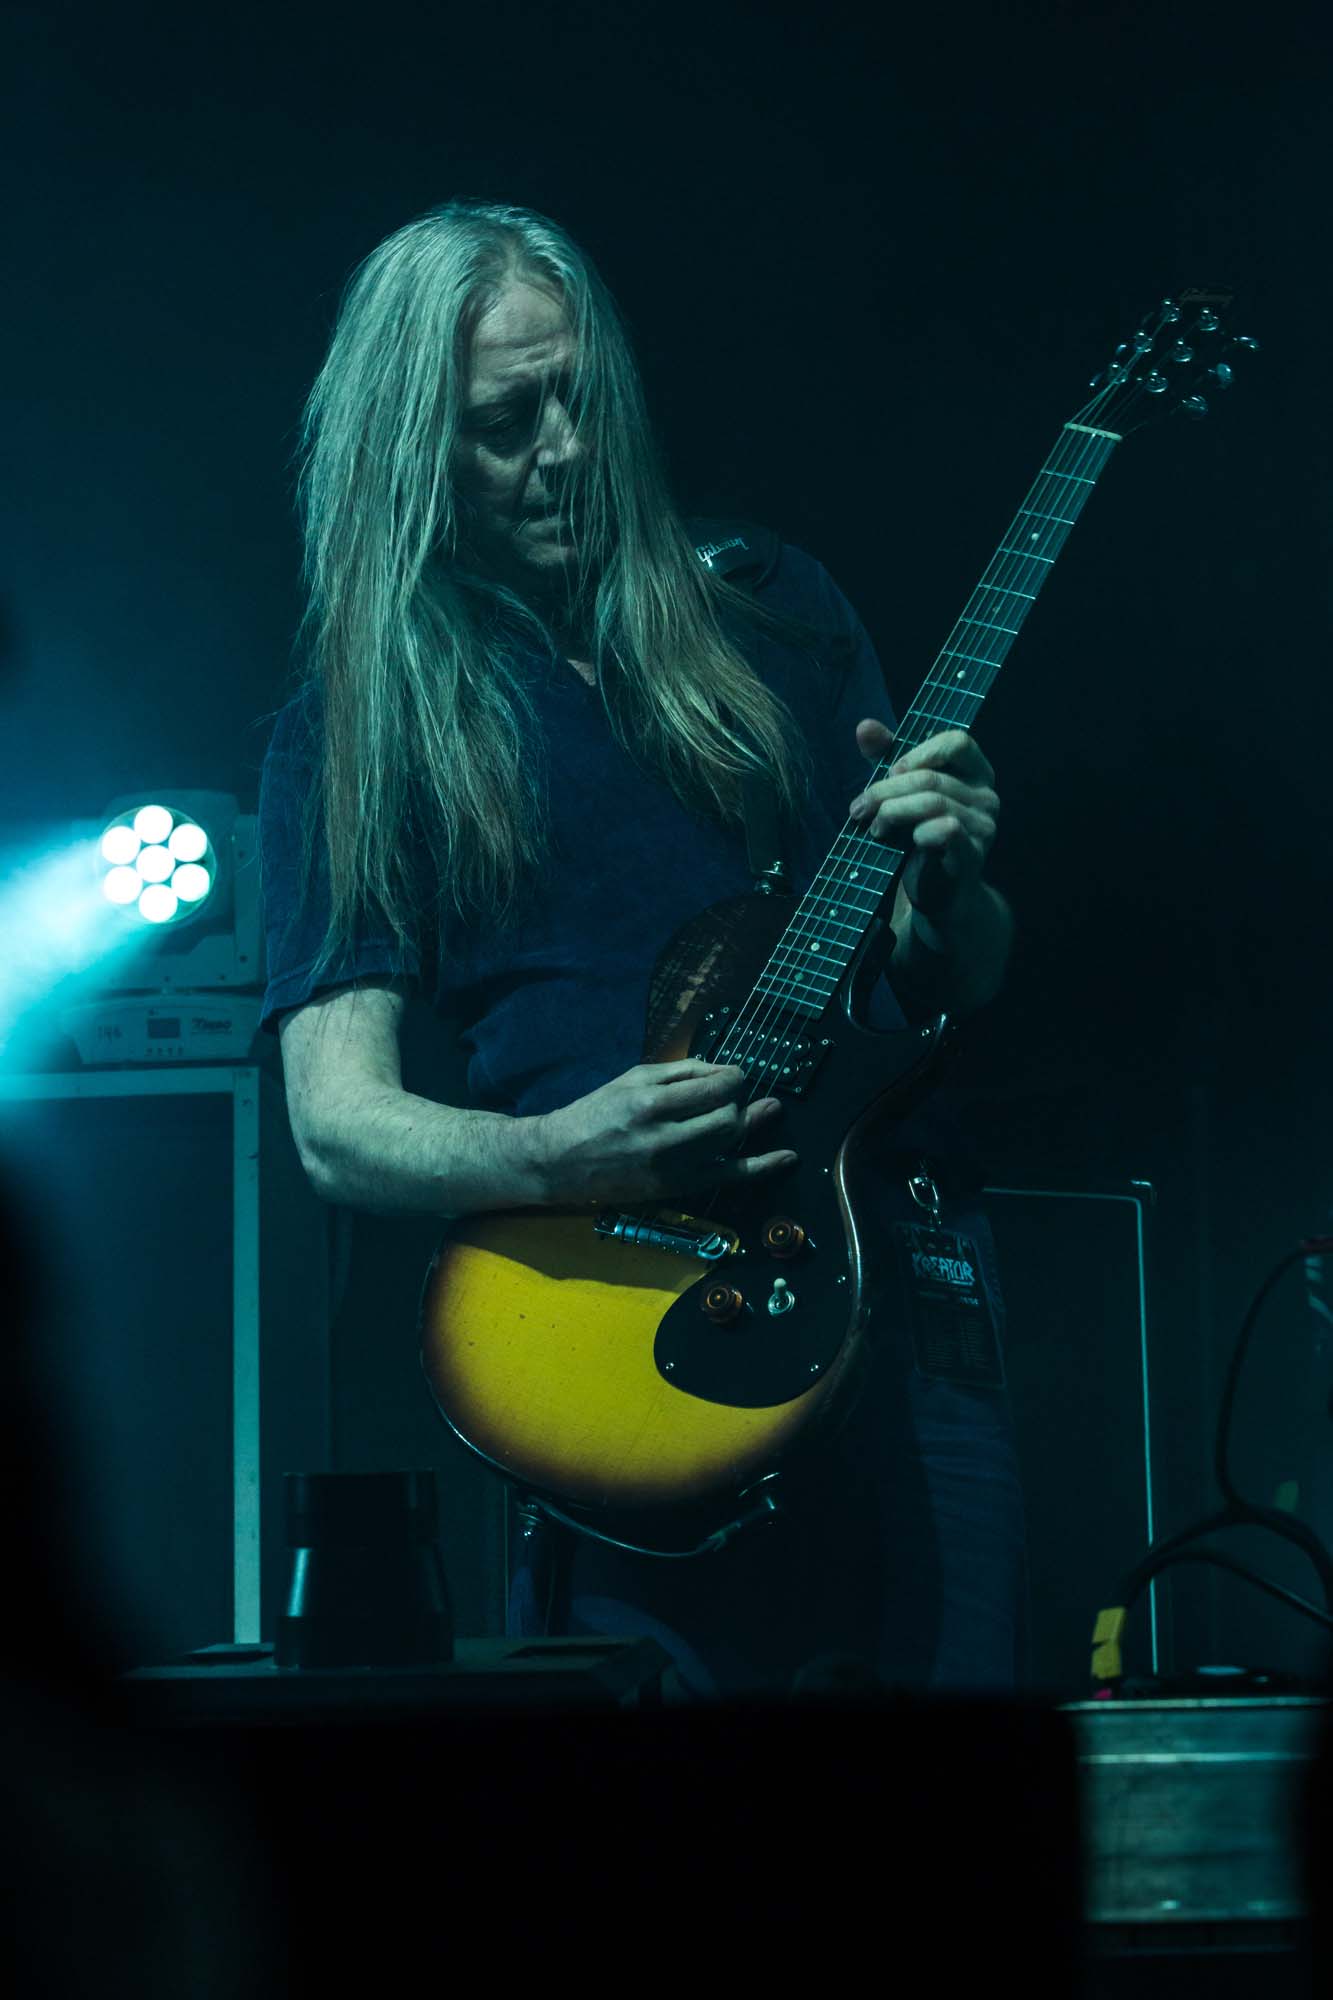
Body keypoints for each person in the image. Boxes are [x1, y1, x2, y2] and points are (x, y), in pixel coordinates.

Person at [258, 198, 1029, 1699]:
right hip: (616, 1320)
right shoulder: (358, 736)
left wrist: (950, 892)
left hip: (894, 1265)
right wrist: (557, 1157)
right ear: (409, 452)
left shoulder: (772, 609)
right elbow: (336, 1125)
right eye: (504, 423)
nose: (562, 450)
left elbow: (946, 981)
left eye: (579, 399)